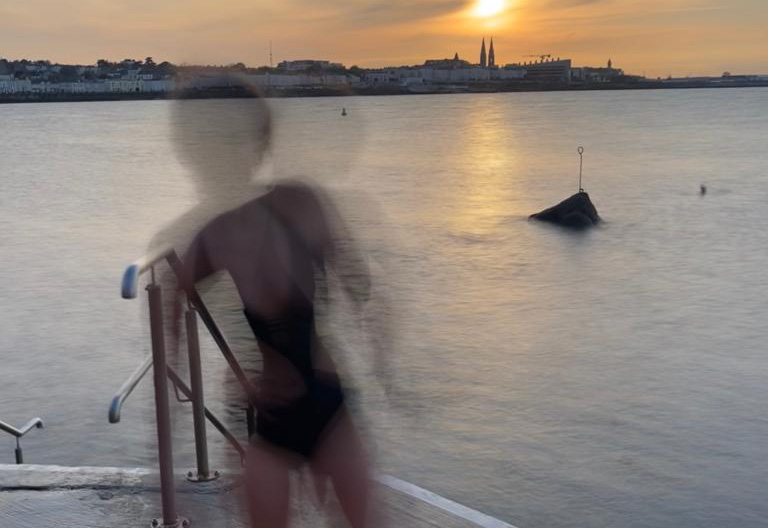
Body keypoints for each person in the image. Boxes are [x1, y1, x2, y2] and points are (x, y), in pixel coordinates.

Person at [169, 78, 381, 528]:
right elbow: (171, 303)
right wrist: (235, 375)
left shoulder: (289, 205)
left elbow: (359, 285)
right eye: (206, 145)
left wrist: (384, 358)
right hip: (278, 413)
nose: (216, 157)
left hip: (324, 403)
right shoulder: (215, 234)